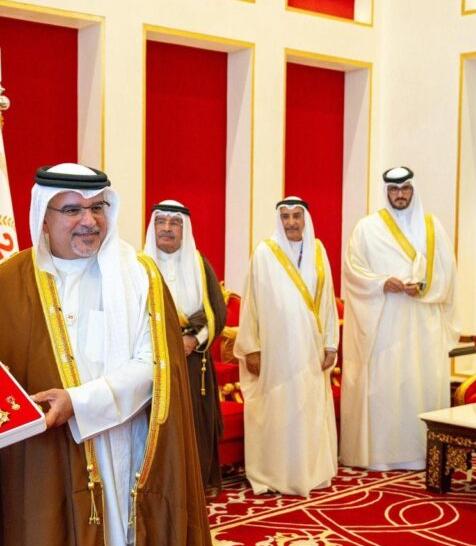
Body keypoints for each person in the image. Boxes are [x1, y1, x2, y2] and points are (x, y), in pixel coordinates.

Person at [0, 164, 217, 546]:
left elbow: (155, 366)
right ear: (43, 216)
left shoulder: (140, 276)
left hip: (123, 455)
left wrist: (80, 402)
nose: (88, 221)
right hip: (39, 466)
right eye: (71, 210)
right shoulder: (7, 283)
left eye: (97, 208)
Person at [340, 167, 459, 471]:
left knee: (419, 384)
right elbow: (353, 272)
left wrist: (424, 287)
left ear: (413, 190)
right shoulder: (367, 229)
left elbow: (448, 273)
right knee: (386, 387)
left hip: (423, 324)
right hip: (384, 324)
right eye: (394, 190)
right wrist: (381, 283)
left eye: (405, 188)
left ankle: (422, 453)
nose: (400, 195)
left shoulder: (432, 227)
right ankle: (380, 455)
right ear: (386, 192)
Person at [234, 197, 339, 495]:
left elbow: (328, 300)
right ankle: (275, 474)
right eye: (285, 216)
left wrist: (331, 344)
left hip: (311, 350)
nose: (291, 222)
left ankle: (309, 472)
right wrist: (252, 348)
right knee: (279, 412)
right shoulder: (265, 253)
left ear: (306, 219)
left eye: (296, 216)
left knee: (308, 411)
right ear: (278, 220)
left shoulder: (318, 250)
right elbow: (251, 303)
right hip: (276, 352)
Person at [143, 199, 227, 495]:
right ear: (153, 226)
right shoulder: (139, 266)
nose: (167, 228)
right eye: (161, 221)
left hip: (193, 362)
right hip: (150, 361)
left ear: (184, 229)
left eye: (174, 223)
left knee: (194, 424)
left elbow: (217, 312)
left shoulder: (199, 264)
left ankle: (195, 486)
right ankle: (157, 489)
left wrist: (193, 340)